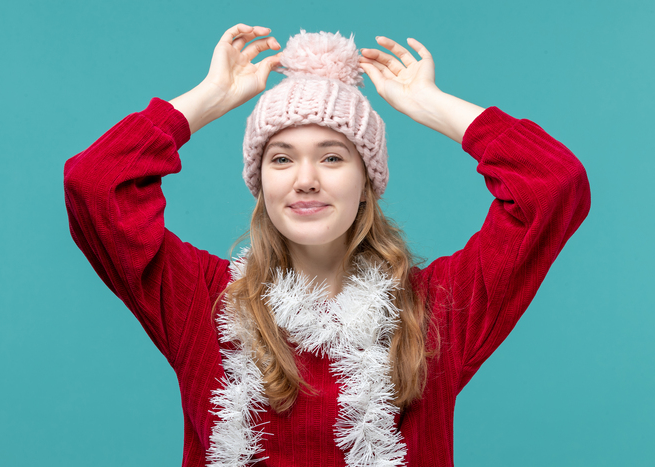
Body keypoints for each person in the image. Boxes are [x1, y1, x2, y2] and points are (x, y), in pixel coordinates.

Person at [64, 23, 591, 467]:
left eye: (333, 157)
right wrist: (210, 99)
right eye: (282, 158)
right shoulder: (204, 302)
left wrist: (431, 105)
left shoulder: (437, 310)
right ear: (261, 183)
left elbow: (551, 184)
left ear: (367, 184)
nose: (306, 180)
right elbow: (96, 184)